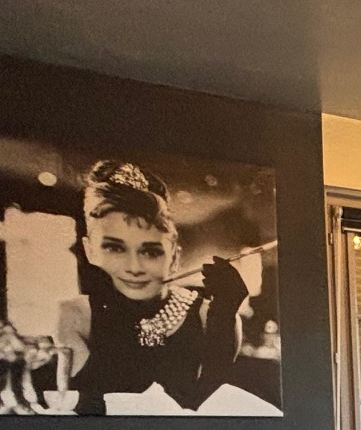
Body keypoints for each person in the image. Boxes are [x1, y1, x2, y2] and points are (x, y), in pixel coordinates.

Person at [55, 159, 249, 413]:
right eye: (114, 248)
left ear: (175, 257)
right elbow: (81, 408)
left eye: (151, 251)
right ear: (90, 250)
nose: (134, 267)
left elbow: (214, 411)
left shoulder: (210, 316)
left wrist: (223, 318)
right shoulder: (76, 315)